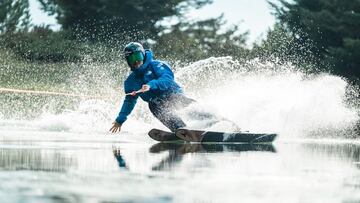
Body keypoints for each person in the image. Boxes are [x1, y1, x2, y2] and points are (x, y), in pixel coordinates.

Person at [109, 42, 196, 133]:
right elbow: (129, 101)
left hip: (173, 94)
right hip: (157, 102)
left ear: (143, 55)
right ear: (128, 61)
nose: (136, 61)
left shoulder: (156, 65)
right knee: (153, 105)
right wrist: (120, 120)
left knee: (175, 101)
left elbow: (167, 78)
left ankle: (207, 117)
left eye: (138, 57)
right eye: (131, 59)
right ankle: (180, 129)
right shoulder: (131, 82)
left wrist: (151, 85)